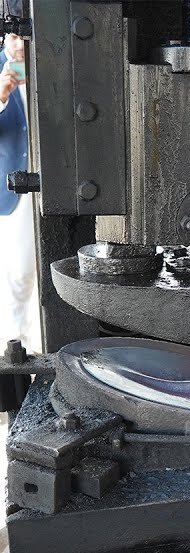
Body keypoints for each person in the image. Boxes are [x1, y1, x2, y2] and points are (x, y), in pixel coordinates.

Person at [0, 33, 38, 350]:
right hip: (13, 186)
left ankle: (44, 348)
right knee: (18, 273)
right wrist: (0, 97)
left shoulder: (49, 60)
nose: (17, 44)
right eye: (12, 37)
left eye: (22, 37)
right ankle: (15, 350)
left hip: (54, 179)